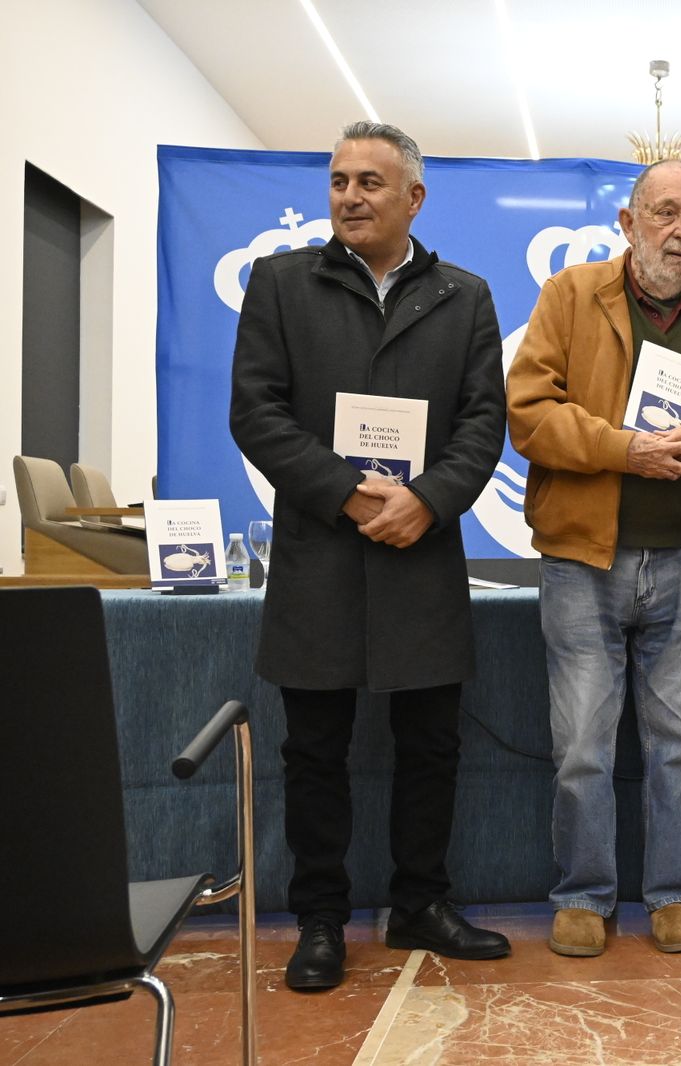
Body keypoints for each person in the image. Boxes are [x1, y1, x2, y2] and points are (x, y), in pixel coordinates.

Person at [230, 121, 510, 991]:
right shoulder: (281, 283)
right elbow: (256, 412)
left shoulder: (464, 296)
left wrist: (426, 499)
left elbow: (483, 422)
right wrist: (346, 492)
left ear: (414, 199)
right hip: (321, 551)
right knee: (314, 750)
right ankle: (320, 920)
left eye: (370, 183)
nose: (350, 196)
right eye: (340, 181)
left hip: (420, 553)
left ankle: (420, 904)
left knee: (430, 746)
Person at [505, 159, 681, 958]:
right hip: (584, 562)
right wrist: (627, 451)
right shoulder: (568, 298)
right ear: (627, 223)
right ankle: (584, 895)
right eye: (665, 213)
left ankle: (673, 895)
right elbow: (529, 416)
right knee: (582, 745)